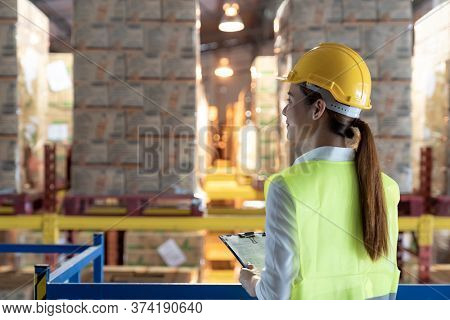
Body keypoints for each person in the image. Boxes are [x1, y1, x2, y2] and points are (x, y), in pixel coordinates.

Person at [239, 43, 400, 300]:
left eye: (290, 100)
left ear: (317, 109)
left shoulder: (287, 187)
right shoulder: (387, 187)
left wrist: (251, 280)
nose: (284, 111)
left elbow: (274, 297)